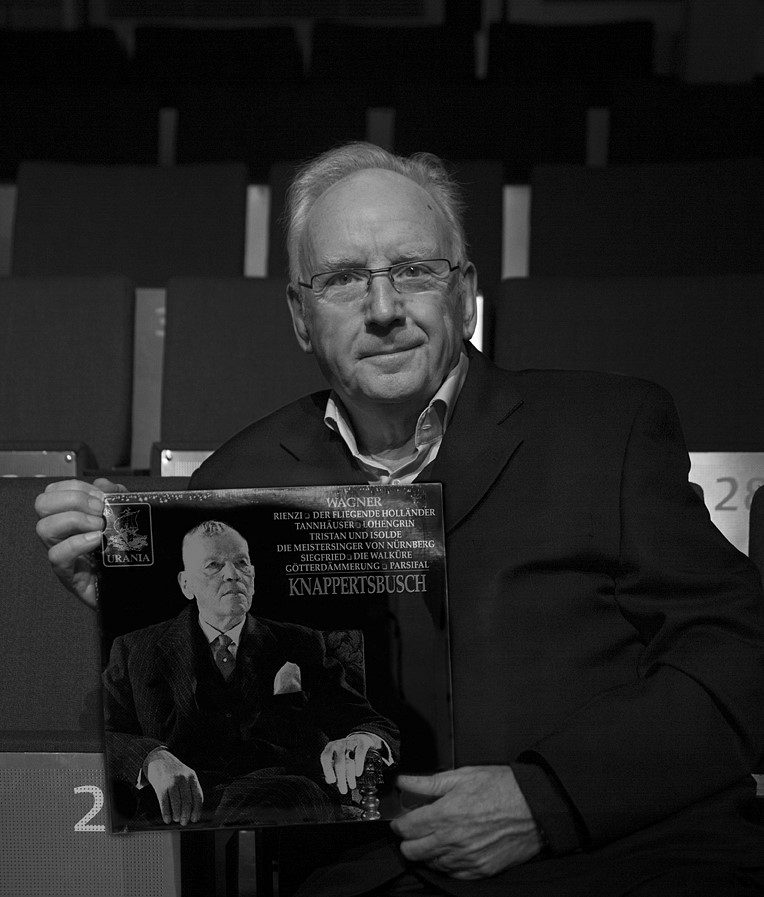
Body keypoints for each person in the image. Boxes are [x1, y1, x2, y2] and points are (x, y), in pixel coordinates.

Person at [36, 142, 764, 895]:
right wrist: (138, 604)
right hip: (376, 881)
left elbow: (739, 653)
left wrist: (545, 799)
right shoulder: (235, 487)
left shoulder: (606, 430)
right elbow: (226, 750)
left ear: (466, 295)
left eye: (414, 271)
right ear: (299, 314)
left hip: (627, 859)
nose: (384, 310)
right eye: (346, 279)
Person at [103, 518, 399, 831]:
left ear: (253, 577)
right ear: (185, 584)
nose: (232, 574)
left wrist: (359, 738)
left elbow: (371, 722)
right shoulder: (135, 649)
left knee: (290, 796)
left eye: (241, 563)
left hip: (287, 801)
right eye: (214, 565)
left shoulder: (300, 643)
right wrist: (151, 758)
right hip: (180, 807)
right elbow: (100, 734)